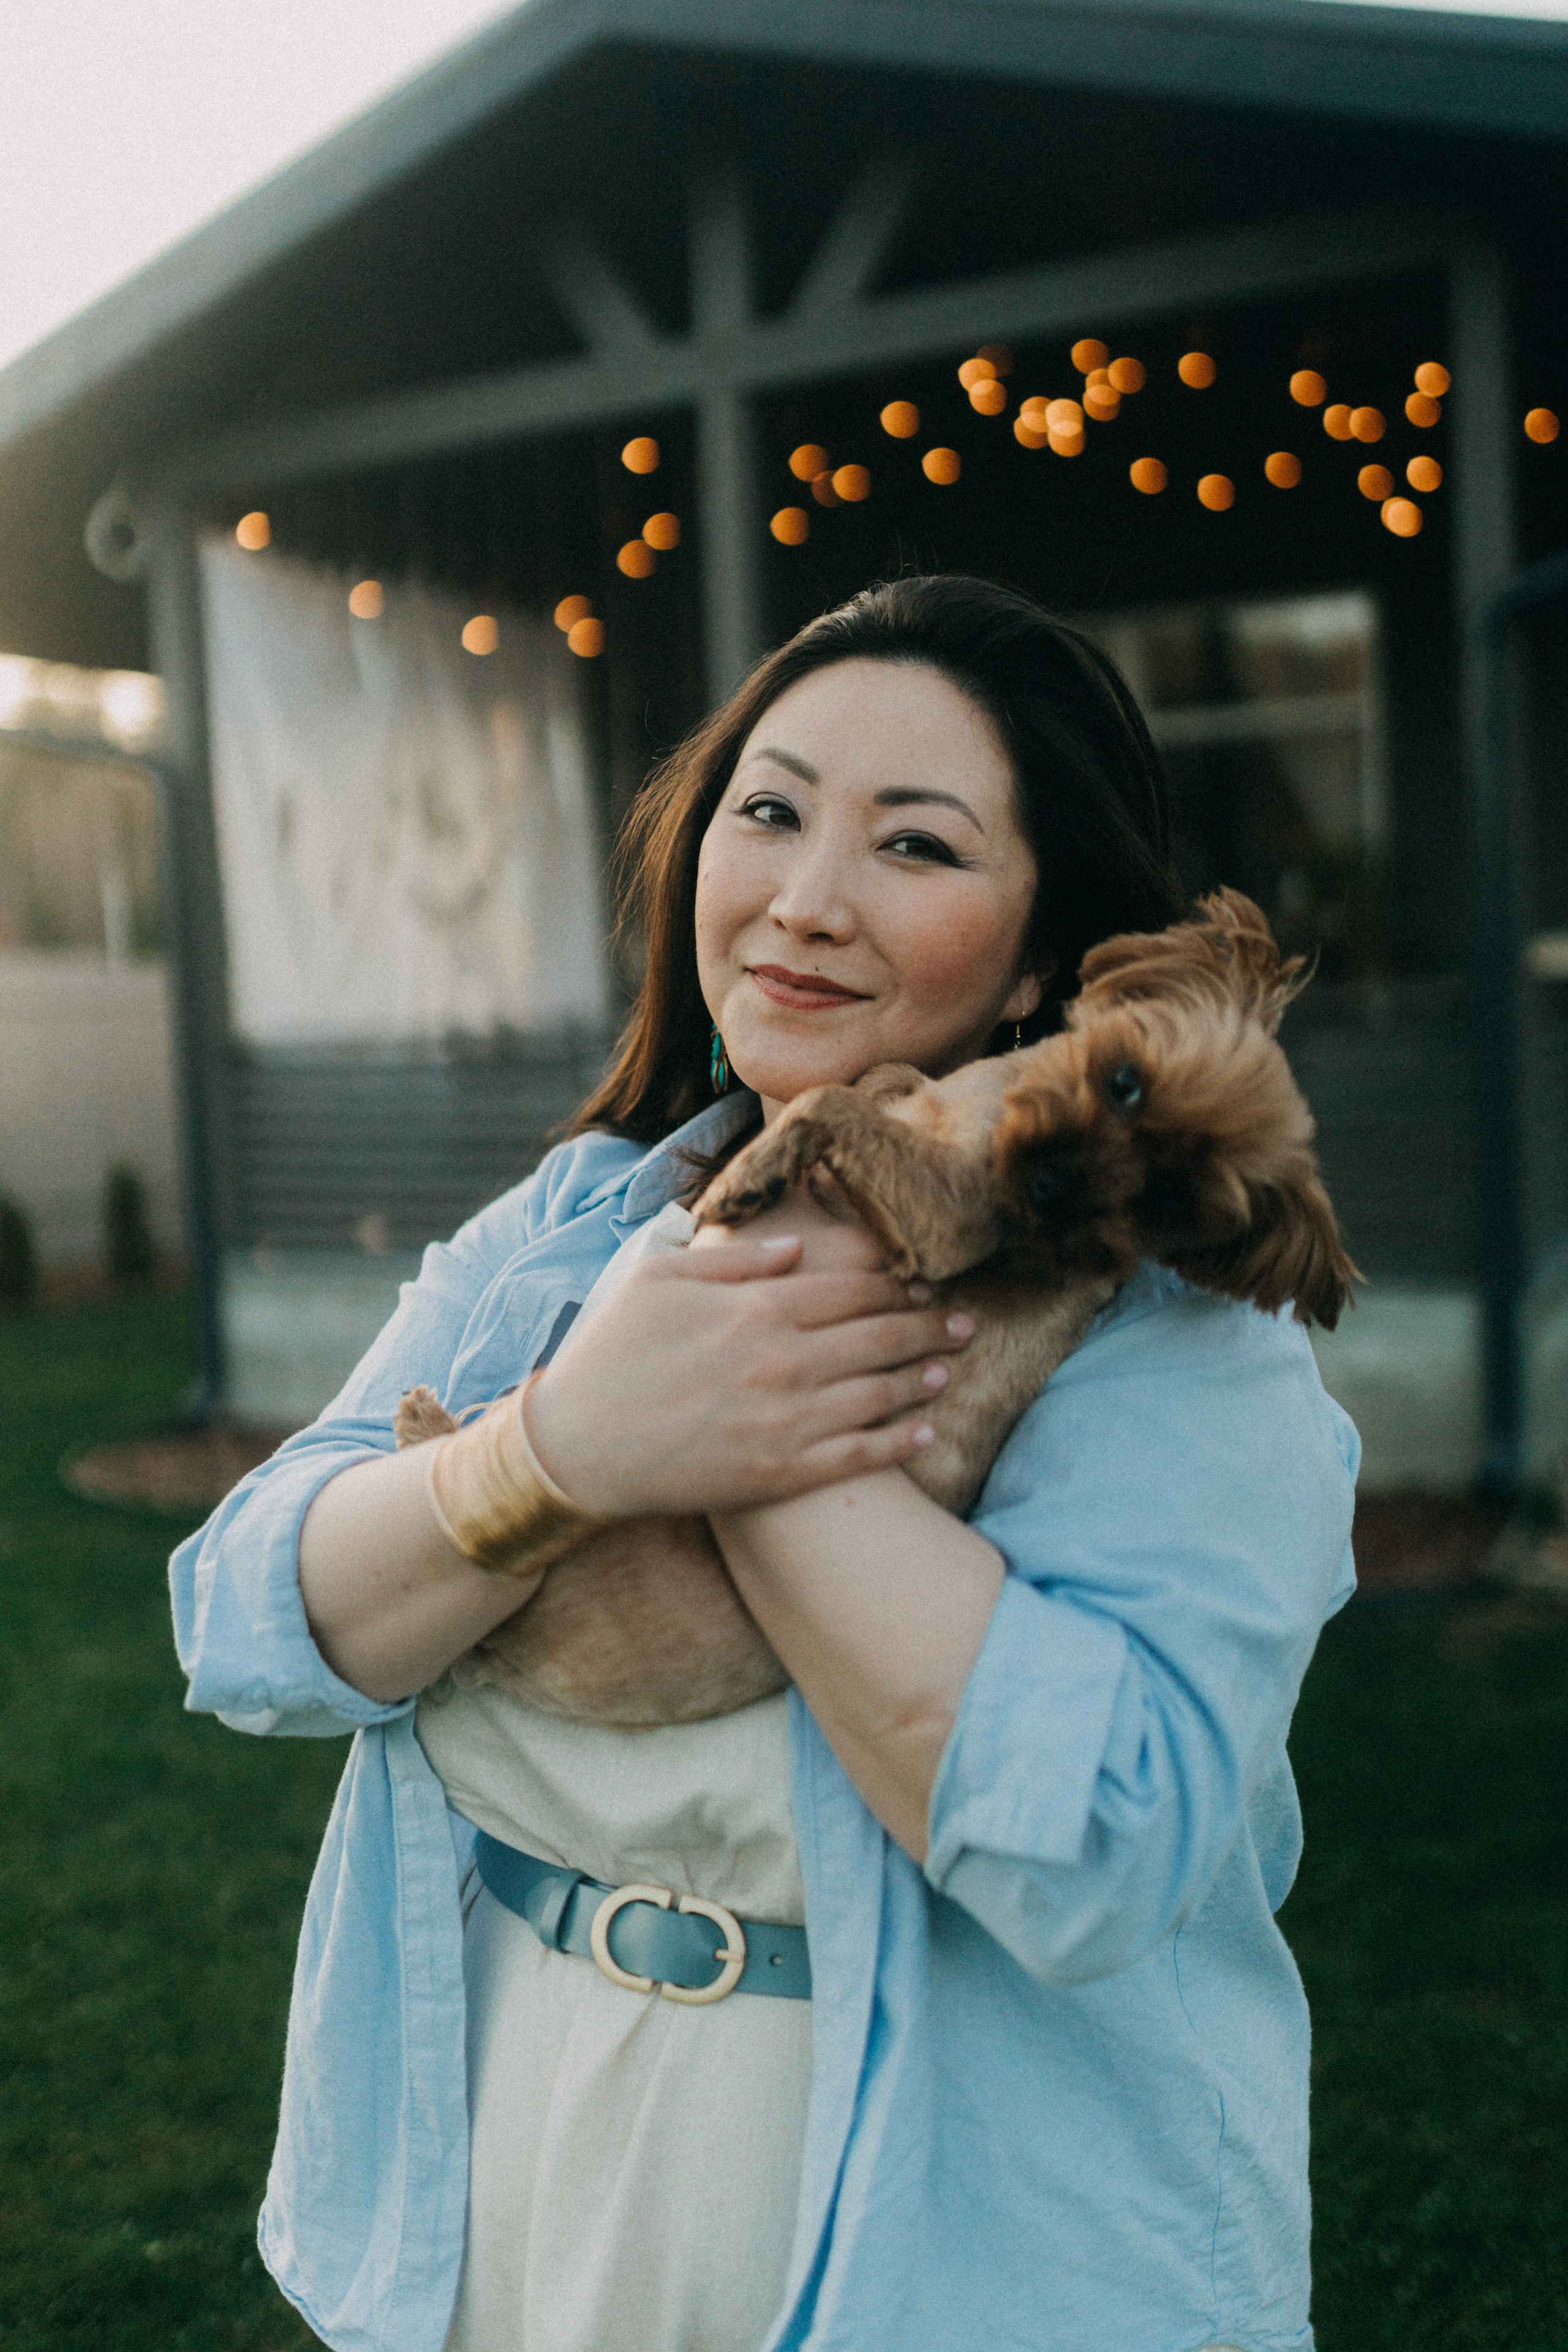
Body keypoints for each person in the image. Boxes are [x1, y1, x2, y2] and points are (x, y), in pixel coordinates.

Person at [170, 574, 1359, 2352]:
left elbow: (1101, 1849)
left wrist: (756, 1430)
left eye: (918, 848)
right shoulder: (582, 1221)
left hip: (965, 2234)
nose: (806, 902)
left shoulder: (1172, 1341)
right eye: (772, 810)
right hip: (522, 2167)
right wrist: (564, 1444)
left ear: (1044, 949)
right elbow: (244, 1623)